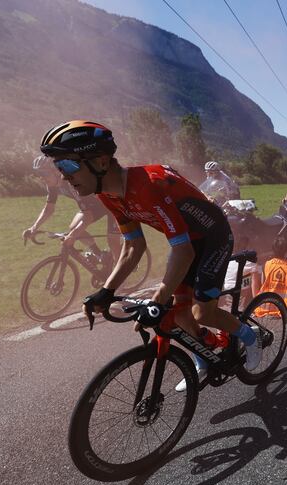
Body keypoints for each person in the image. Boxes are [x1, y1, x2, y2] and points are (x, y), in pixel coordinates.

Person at [39, 120, 262, 391]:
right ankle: (202, 361)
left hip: (213, 237)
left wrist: (157, 299)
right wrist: (106, 291)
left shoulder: (148, 185)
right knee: (179, 315)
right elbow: (133, 246)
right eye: (59, 167)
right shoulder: (108, 195)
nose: (63, 176)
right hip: (187, 241)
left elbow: (183, 250)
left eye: (68, 166)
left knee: (202, 312)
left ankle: (251, 337)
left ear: (100, 161)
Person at [23, 155, 121, 265]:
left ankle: (123, 268)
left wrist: (72, 236)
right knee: (74, 228)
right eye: (39, 174)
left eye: (44, 174)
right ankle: (99, 255)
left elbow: (87, 217)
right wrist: (34, 227)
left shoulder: (73, 181)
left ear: (56, 171)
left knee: (113, 242)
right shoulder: (53, 184)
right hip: (96, 205)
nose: (41, 178)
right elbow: (48, 209)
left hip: (113, 202)